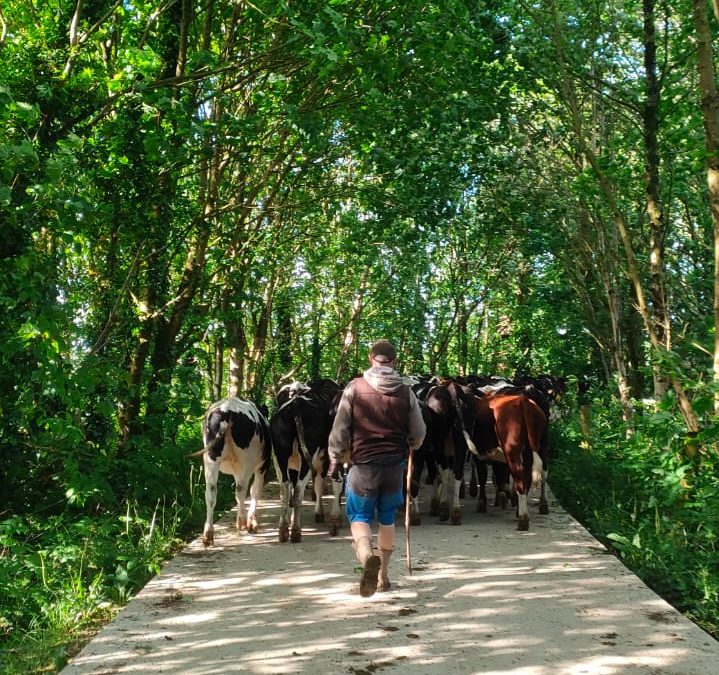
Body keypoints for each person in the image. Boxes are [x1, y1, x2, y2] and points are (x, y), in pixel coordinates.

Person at [327, 339, 426, 597]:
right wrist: (414, 443)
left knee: (359, 517)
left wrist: (335, 455)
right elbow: (419, 431)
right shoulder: (406, 392)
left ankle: (366, 556)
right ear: (394, 361)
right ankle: (383, 577)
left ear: (371, 358)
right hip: (394, 466)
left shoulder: (354, 388)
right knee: (386, 517)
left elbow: (340, 427)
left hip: (363, 466)